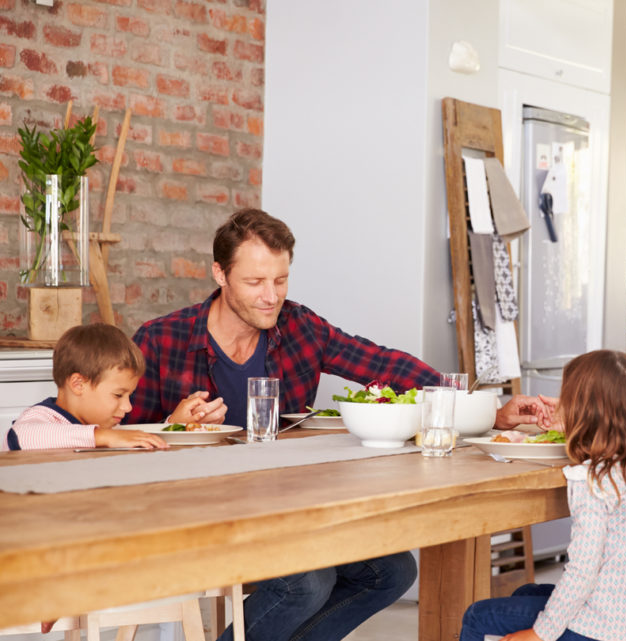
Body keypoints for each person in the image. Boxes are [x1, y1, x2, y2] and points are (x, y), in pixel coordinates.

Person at [125, 208, 550, 641]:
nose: (271, 296)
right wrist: (174, 427)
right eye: (255, 282)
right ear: (219, 274)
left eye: (281, 279)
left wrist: (487, 410)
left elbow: (382, 364)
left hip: (281, 509)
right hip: (197, 513)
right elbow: (118, 446)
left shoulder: (299, 327)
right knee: (305, 582)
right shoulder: (162, 340)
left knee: (392, 571)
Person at [459, 350, 626, 641]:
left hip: (602, 629)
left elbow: (582, 575)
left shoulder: (592, 480)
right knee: (527, 592)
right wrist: (572, 419)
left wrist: (539, 634)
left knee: (477, 616)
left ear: (583, 411)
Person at [4, 323, 206, 452]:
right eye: (118, 395)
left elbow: (139, 436)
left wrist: (175, 423)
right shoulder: (41, 418)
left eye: (129, 396)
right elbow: (23, 435)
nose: (128, 407)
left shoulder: (106, 427)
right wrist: (104, 436)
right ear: (78, 384)